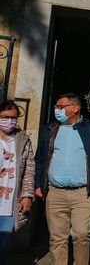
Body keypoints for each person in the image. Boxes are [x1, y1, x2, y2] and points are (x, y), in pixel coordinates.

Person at [34, 93, 90, 265]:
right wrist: (39, 184)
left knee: (81, 234)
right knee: (57, 238)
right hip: (55, 193)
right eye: (56, 107)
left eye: (60, 107)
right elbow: (40, 159)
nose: (56, 110)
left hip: (83, 193)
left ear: (75, 108)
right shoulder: (50, 130)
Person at [0, 101, 35, 259]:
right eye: (5, 117)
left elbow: (29, 169)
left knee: (3, 245)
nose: (10, 121)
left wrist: (27, 195)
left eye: (13, 117)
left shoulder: (23, 139)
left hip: (9, 204)